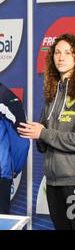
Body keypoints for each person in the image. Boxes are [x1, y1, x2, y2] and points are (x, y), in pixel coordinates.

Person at [18, 34, 75, 230]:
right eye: (57, 52)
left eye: (68, 53)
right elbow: (44, 136)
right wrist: (35, 133)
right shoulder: (54, 93)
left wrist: (44, 134)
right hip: (54, 181)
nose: (61, 57)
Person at [0, 83, 30, 214]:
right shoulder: (4, 94)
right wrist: (13, 168)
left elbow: (21, 137)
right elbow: (22, 139)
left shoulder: (4, 96)